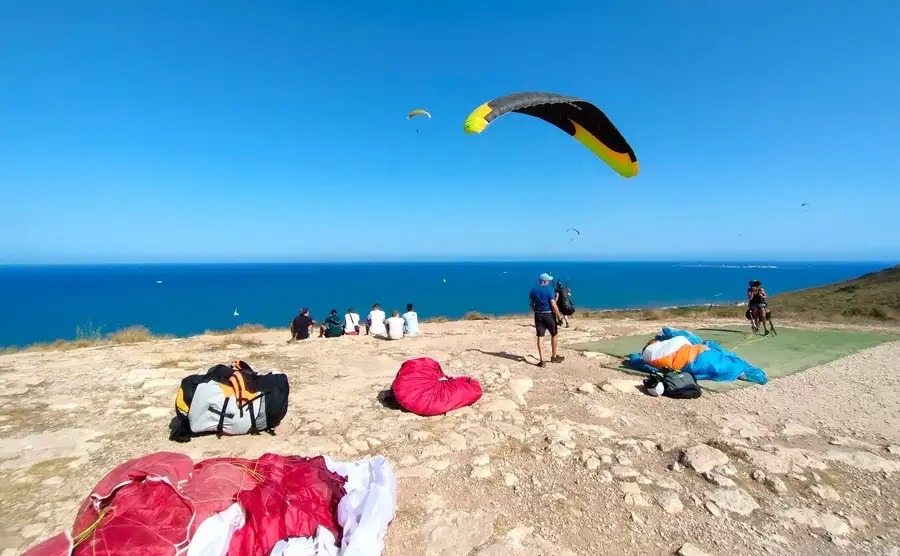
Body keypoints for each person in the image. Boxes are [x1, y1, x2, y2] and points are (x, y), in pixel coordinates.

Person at [529, 273, 564, 367]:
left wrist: (536, 311)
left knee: (540, 336)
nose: (549, 282)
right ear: (545, 281)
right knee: (554, 334)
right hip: (548, 314)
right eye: (548, 280)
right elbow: (553, 304)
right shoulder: (550, 290)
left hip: (538, 315)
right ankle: (554, 356)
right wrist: (559, 316)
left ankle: (542, 360)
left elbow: (531, 304)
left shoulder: (533, 290)